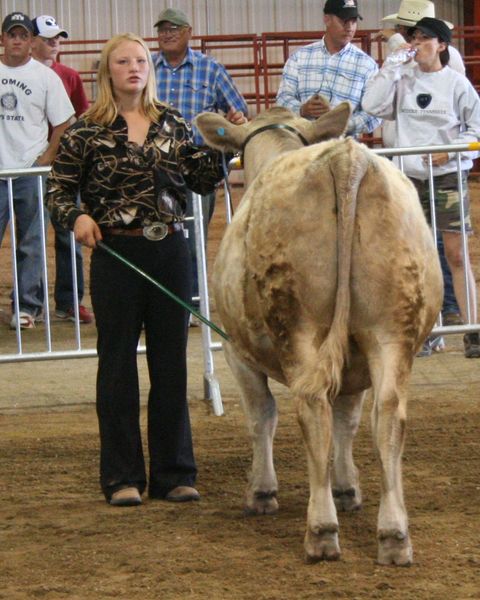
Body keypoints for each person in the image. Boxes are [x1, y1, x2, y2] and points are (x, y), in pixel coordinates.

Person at [47, 32, 229, 506]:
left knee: (170, 364)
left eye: (141, 61)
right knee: (116, 367)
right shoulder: (86, 130)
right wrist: (78, 217)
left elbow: (202, 177)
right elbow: (59, 192)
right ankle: (122, 477)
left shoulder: (173, 122)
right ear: (107, 71)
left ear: (149, 69)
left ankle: (175, 474)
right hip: (115, 256)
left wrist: (225, 144)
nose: (134, 68)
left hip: (170, 252)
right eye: (123, 61)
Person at [363, 17, 480, 359]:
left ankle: (472, 328)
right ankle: (427, 330)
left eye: (425, 38)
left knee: (456, 254)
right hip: (409, 179)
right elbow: (371, 106)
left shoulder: (457, 84)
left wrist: (451, 149)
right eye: (414, 37)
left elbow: (476, 129)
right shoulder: (401, 79)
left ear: (442, 45)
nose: (416, 43)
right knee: (415, 256)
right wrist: (391, 66)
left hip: (446, 177)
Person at [152, 7, 248, 321]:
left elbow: (239, 115)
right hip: (151, 167)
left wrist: (230, 152)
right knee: (151, 233)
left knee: (192, 236)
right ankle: (154, 301)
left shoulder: (211, 70)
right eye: (162, 29)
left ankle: (190, 301)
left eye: (173, 29)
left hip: (194, 169)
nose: (167, 34)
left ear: (188, 32)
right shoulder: (148, 69)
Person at [0, 12, 74, 330]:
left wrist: (46, 158)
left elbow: (63, 123)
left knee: (31, 243)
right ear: (2, 39)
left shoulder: (45, 78)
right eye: (11, 34)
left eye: (22, 35)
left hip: (30, 171)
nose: (17, 40)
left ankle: (26, 306)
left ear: (31, 41)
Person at [31, 15, 93, 325]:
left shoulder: (69, 76)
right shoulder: (19, 74)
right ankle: (29, 302)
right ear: (33, 41)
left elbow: (81, 119)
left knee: (67, 233)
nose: (55, 42)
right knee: (31, 237)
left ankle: (69, 301)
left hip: (63, 168)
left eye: (58, 37)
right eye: (48, 37)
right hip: (27, 167)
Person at [275, 0, 381, 137]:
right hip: (302, 147)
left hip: (342, 149)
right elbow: (282, 98)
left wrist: (339, 123)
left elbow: (374, 114)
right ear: (327, 19)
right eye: (344, 20)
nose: (349, 27)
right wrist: (302, 110)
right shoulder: (299, 57)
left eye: (353, 21)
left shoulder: (367, 65)